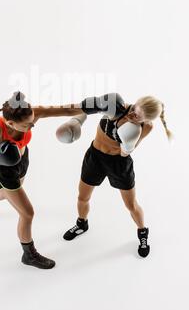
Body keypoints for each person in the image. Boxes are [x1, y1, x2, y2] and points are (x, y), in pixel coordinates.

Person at [0, 91, 86, 270]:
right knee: (27, 213)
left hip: (22, 160)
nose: (32, 126)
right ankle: (29, 254)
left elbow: (65, 110)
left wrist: (94, 107)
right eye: (27, 125)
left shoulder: (32, 113)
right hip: (4, 169)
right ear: (10, 123)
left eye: (32, 122)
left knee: (4, 194)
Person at [57, 93, 172, 258]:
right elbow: (87, 108)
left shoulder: (146, 127)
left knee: (131, 205)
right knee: (82, 197)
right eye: (133, 110)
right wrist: (76, 121)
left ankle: (142, 232)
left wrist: (130, 140)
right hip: (95, 156)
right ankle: (82, 223)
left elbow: (126, 152)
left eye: (137, 117)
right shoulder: (115, 106)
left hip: (118, 163)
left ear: (146, 120)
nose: (132, 115)